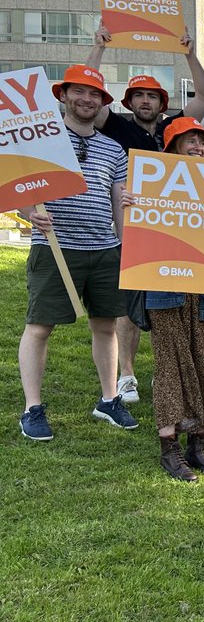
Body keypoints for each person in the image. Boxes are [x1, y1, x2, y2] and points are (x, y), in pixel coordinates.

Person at [86, 25, 204, 405]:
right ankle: (127, 374)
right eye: (138, 95)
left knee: (171, 300)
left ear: (163, 101)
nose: (145, 101)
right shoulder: (116, 126)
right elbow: (89, 97)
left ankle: (169, 371)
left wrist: (190, 53)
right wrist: (99, 49)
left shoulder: (175, 128)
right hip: (132, 223)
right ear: (128, 102)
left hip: (176, 228)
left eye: (152, 96)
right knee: (130, 301)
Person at [18, 65, 137, 440]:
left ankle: (108, 400)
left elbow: (118, 202)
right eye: (79, 92)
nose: (86, 99)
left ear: (103, 102)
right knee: (40, 327)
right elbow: (20, 190)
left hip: (104, 248)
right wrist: (28, 215)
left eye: (94, 95)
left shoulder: (114, 148)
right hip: (54, 247)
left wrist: (126, 242)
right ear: (63, 96)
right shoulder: (40, 140)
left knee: (106, 325)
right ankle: (32, 409)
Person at [133, 118, 204, 481]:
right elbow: (139, 233)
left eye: (202, 142)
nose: (198, 147)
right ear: (172, 146)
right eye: (190, 140)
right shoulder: (150, 184)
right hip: (165, 287)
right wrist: (130, 203)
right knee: (170, 366)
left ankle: (198, 445)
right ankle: (169, 448)